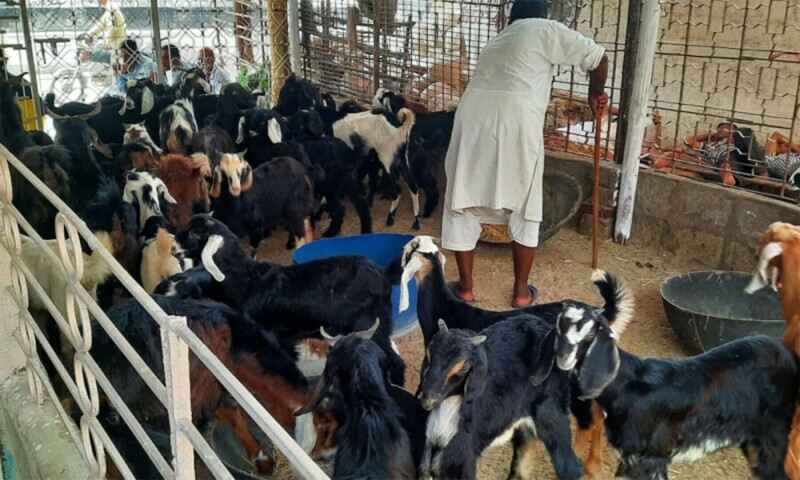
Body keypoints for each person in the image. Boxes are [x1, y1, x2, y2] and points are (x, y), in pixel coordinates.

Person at [441, 0, 608, 308]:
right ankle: (520, 293)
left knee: (463, 194)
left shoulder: (497, 40)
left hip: (471, 117)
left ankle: (465, 288)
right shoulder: (546, 28)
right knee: (524, 200)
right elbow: (599, 58)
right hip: (516, 119)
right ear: (543, 15)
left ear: (511, 17)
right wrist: (595, 93)